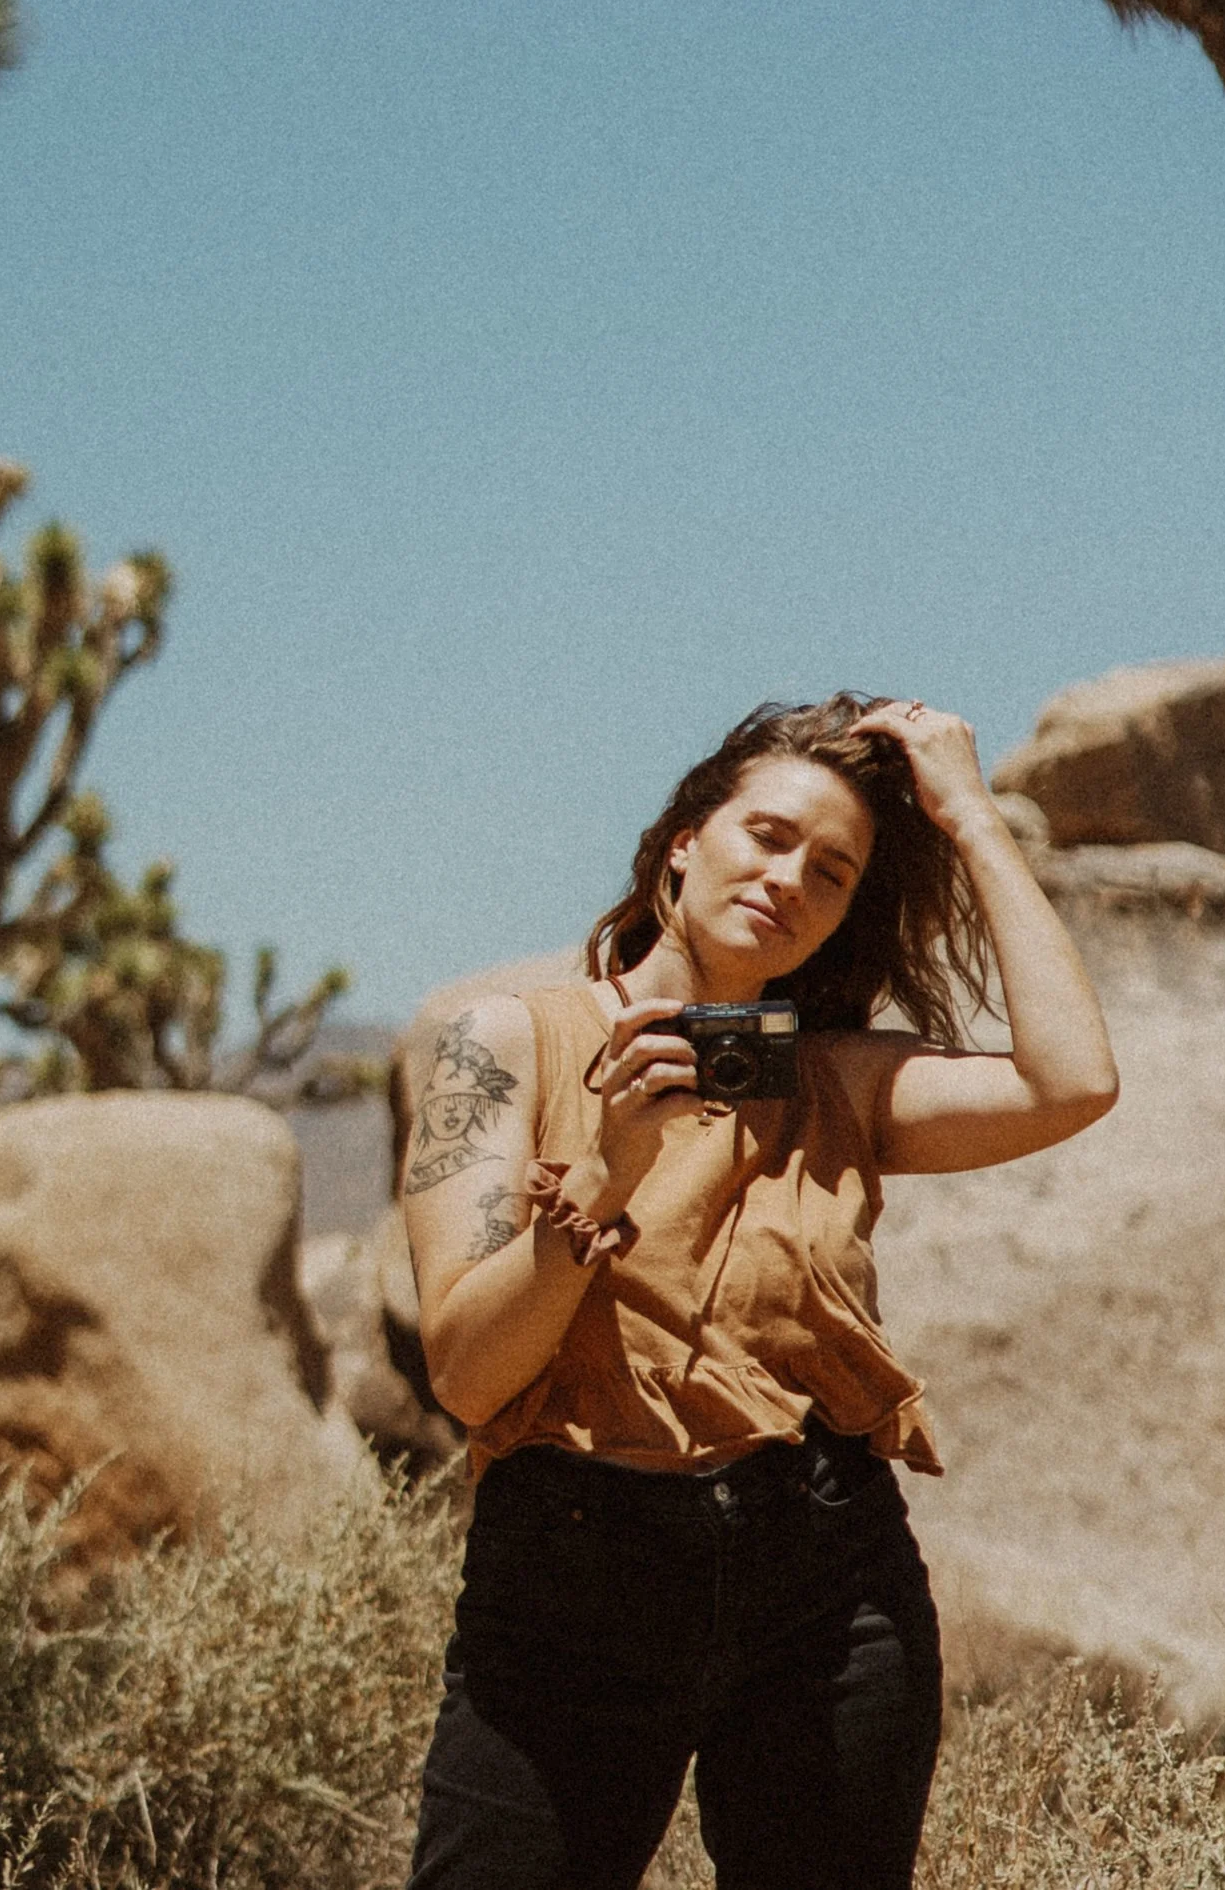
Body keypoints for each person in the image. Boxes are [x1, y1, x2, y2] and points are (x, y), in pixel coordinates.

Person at [401, 693, 1117, 1890]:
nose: (791, 878)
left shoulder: (829, 1076)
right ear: (685, 837)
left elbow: (1070, 1081)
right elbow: (469, 1374)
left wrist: (967, 815)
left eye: (832, 872)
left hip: (825, 1580)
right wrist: (602, 1177)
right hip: (575, 1576)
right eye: (768, 835)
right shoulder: (510, 1041)